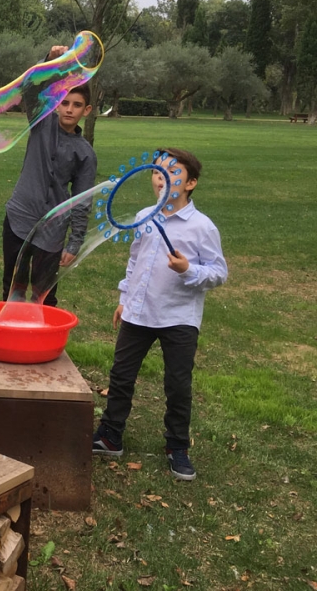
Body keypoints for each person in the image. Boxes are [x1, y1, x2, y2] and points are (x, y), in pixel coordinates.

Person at [92, 148, 228, 481]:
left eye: (173, 172)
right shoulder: (144, 216)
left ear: (191, 183)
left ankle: (177, 446)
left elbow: (219, 272)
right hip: (139, 312)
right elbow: (135, 262)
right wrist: (125, 298)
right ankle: (111, 435)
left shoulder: (201, 227)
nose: (162, 177)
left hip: (179, 317)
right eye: (158, 171)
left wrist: (188, 269)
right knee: (121, 376)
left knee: (178, 385)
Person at [3, 45, 97, 306]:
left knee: (44, 295)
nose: (69, 109)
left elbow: (82, 201)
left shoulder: (85, 154)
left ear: (86, 111)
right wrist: (50, 61)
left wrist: (74, 242)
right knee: (12, 288)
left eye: (77, 105)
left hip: (53, 230)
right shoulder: (40, 123)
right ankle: (8, 342)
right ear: (56, 104)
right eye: (64, 102)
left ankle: (41, 344)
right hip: (19, 217)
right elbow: (30, 89)